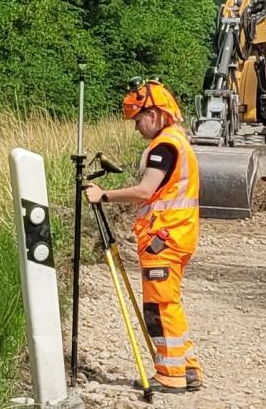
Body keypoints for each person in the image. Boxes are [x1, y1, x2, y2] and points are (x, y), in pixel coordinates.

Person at [85, 79, 205, 392]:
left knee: (159, 308)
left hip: (163, 238)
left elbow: (144, 191)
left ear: (153, 113)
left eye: (138, 119)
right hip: (176, 234)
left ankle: (170, 376)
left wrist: (104, 195)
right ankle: (188, 369)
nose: (137, 126)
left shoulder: (164, 147)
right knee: (170, 303)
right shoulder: (177, 140)